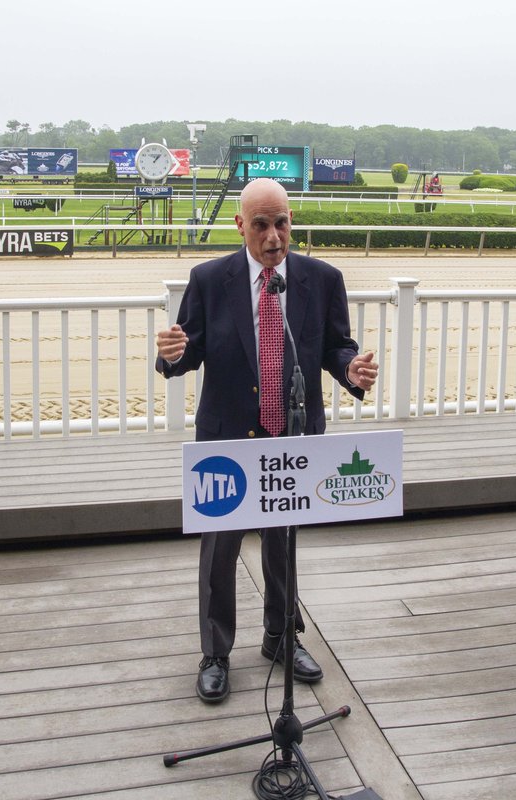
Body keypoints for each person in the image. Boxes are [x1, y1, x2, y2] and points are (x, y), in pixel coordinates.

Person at [155, 178, 379, 702]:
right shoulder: (210, 279)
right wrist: (171, 353)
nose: (274, 236)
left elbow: (337, 347)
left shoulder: (321, 279)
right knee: (220, 552)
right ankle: (215, 652)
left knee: (284, 543)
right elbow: (188, 351)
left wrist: (354, 372)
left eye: (282, 223)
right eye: (261, 225)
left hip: (292, 436)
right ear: (240, 226)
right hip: (228, 438)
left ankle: (281, 636)